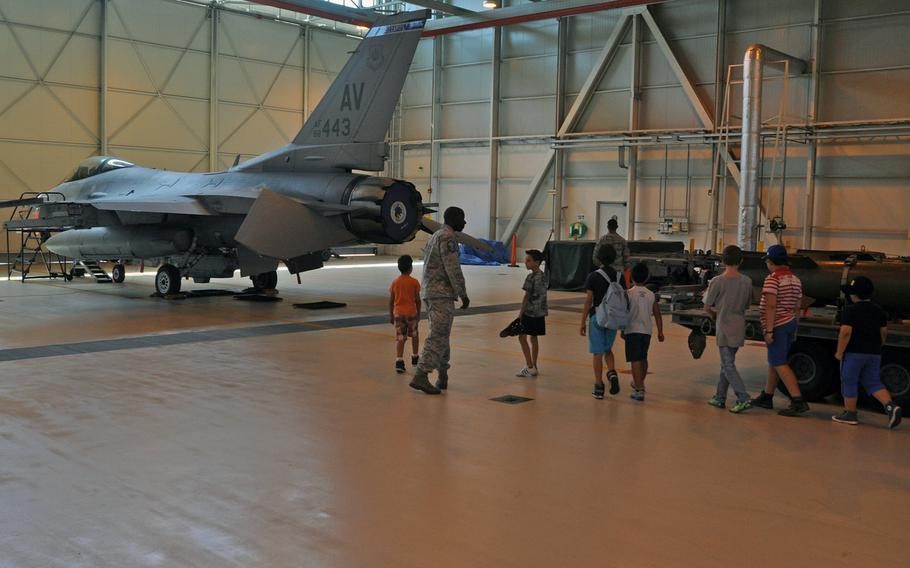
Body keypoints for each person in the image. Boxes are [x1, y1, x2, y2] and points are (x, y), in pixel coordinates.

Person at [410, 207, 470, 395]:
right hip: (441, 293)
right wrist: (463, 293)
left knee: (442, 334)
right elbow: (452, 268)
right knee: (438, 335)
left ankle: (442, 374)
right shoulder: (448, 237)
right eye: (463, 218)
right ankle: (421, 374)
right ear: (455, 219)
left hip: (431, 292)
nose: (465, 222)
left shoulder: (436, 235)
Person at [832, 276, 902, 428]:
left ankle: (850, 413)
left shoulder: (850, 311)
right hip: (874, 353)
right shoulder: (879, 311)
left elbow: (845, 332)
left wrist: (839, 352)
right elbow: (883, 332)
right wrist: (879, 345)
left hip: (853, 353)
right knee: (873, 382)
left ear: (854, 295)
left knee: (849, 380)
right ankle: (890, 406)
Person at [750, 244, 810, 416]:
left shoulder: (773, 279)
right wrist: (794, 328)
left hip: (777, 325)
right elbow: (797, 307)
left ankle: (798, 401)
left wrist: (769, 331)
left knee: (780, 363)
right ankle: (767, 396)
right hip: (790, 323)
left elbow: (770, 306)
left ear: (770, 261)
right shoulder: (795, 279)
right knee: (776, 361)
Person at [704, 245, 754, 414]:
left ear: (723, 260)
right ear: (741, 261)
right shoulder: (747, 281)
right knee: (727, 363)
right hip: (739, 325)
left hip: (724, 326)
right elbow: (747, 305)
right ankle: (719, 397)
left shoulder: (717, 281)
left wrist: (714, 315)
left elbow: (707, 306)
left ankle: (743, 397)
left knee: (727, 364)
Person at [580, 245, 625, 400]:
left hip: (597, 318)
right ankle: (612, 372)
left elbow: (588, 300)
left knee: (597, 353)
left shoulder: (593, 276)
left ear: (599, 258)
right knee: (608, 349)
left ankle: (599, 385)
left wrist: (582, 321)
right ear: (615, 258)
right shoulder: (620, 276)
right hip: (613, 318)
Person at [624, 263, 664, 401]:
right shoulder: (651, 294)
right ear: (647, 278)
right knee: (643, 357)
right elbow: (657, 314)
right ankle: (639, 381)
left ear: (632, 278)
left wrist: (622, 329)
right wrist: (660, 332)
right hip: (646, 331)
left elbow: (624, 313)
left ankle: (639, 389)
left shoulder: (628, 293)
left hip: (632, 330)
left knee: (634, 359)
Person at [516, 249, 548, 377]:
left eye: (529, 260)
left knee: (521, 337)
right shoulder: (543, 275)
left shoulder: (531, 277)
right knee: (533, 337)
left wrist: (520, 314)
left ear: (537, 262)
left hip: (529, 312)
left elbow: (526, 296)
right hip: (540, 312)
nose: (526, 262)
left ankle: (529, 366)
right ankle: (534, 366)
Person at [389, 255, 421, 374]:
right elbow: (417, 300)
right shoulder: (414, 282)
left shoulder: (395, 282)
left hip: (398, 314)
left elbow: (391, 300)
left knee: (400, 338)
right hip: (411, 313)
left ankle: (399, 361)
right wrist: (418, 313)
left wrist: (391, 315)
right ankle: (415, 357)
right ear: (411, 268)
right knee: (415, 335)